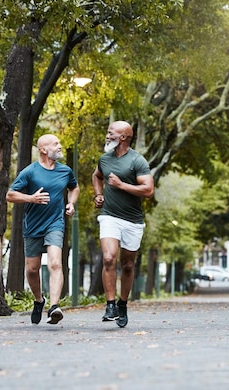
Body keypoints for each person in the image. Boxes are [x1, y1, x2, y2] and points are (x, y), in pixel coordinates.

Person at [6, 134, 79, 325]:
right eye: (56, 144)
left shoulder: (65, 171)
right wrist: (31, 198)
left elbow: (74, 187)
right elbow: (10, 195)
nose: (60, 146)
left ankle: (54, 307)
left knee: (55, 263)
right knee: (32, 269)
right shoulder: (30, 172)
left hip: (55, 223)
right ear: (43, 150)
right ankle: (39, 300)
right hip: (33, 225)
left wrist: (71, 203)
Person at [92, 120, 154, 328]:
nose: (107, 136)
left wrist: (121, 185)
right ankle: (110, 304)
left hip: (133, 220)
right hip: (110, 216)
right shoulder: (104, 159)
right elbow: (96, 176)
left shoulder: (137, 161)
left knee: (127, 265)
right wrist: (99, 195)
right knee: (109, 258)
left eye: (111, 133)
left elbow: (148, 190)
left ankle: (123, 304)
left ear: (123, 138)